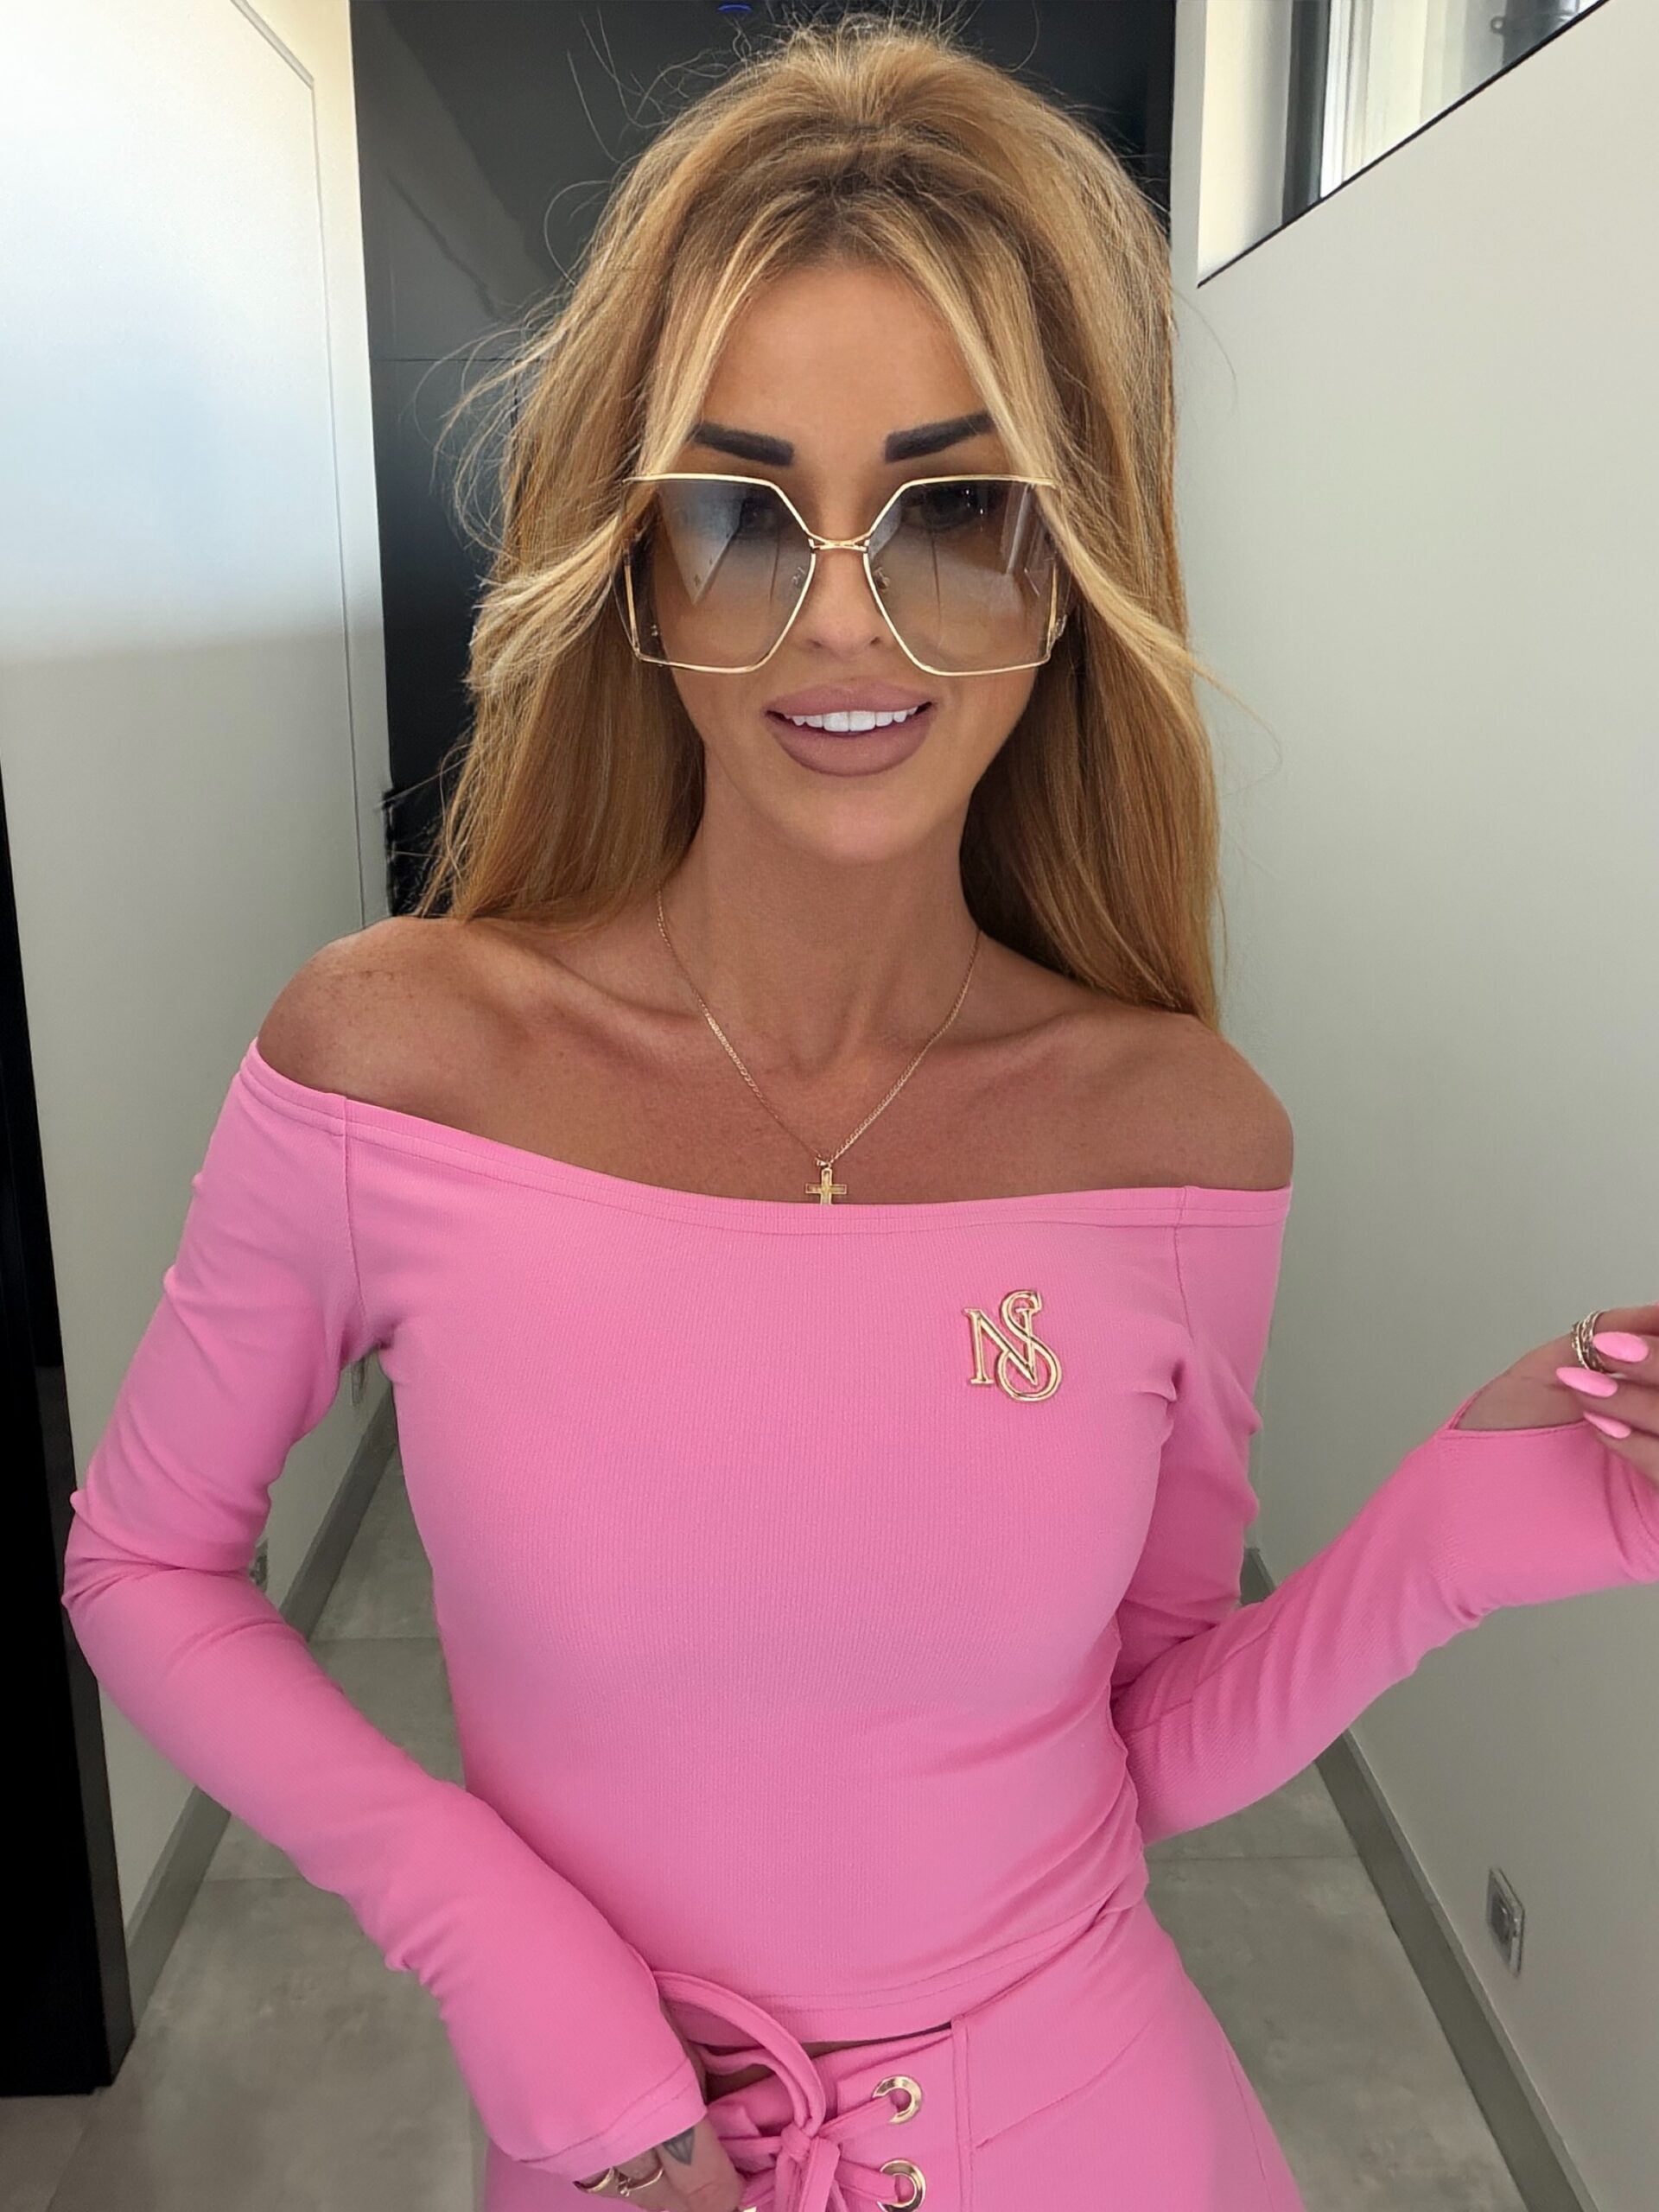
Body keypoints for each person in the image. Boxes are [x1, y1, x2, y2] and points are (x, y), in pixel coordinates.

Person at [59, 15, 1659, 2212]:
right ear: (637, 563)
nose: (839, 615)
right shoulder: (398, 1060)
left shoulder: (1182, 1135)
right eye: (741, 510)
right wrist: (506, 1953)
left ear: (1065, 562)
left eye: (955, 506)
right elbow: (143, 1557)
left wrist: (1473, 1524)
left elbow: (1144, 1735)